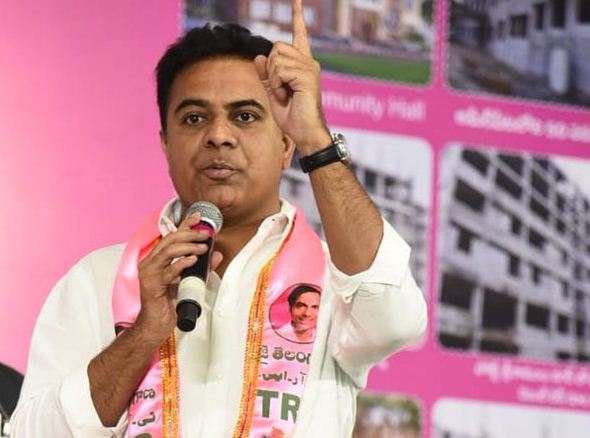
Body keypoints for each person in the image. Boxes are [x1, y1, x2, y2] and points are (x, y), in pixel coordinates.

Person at [11, 0, 427, 436]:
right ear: (165, 143)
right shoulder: (98, 279)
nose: (219, 136)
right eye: (194, 118)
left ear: (286, 144)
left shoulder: (337, 279)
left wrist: (316, 139)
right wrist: (143, 333)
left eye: (245, 116)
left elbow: (395, 320)